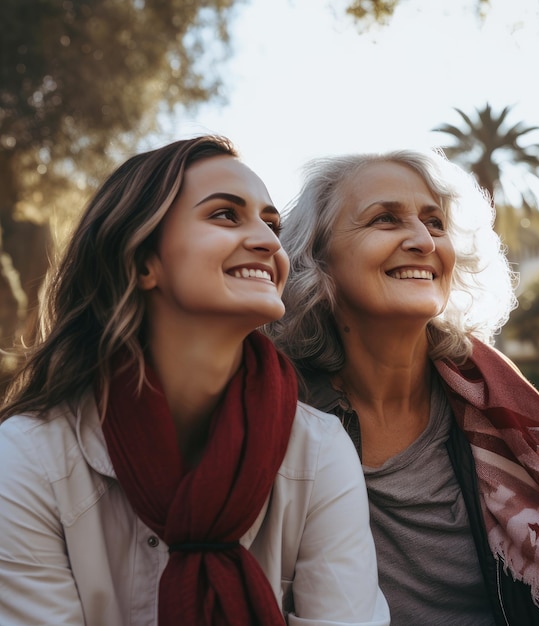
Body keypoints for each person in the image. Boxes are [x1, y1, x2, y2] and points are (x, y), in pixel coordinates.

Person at [0, 136, 390, 626]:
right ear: (143, 262)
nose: (270, 242)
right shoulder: (29, 458)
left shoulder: (318, 449)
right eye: (226, 215)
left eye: (273, 225)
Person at [267, 148, 539, 626]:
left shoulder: (492, 400)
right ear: (316, 256)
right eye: (385, 220)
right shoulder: (278, 415)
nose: (423, 240)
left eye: (435, 223)